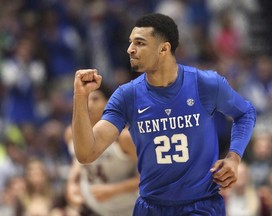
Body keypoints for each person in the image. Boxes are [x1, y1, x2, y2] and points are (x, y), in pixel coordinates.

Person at [72, 13, 256, 216]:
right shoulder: (127, 95)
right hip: (151, 207)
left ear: (164, 49)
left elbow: (245, 113)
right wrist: (80, 97)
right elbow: (86, 153)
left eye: (140, 43)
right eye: (130, 42)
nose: (130, 49)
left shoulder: (205, 83)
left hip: (201, 205)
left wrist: (234, 157)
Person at [67, 85, 139, 216]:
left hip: (127, 209)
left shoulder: (124, 137)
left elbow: (148, 177)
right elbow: (77, 164)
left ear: (108, 102)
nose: (89, 104)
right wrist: (71, 185)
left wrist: (113, 190)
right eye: (87, 99)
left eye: (95, 99)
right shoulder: (71, 134)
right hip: (93, 209)